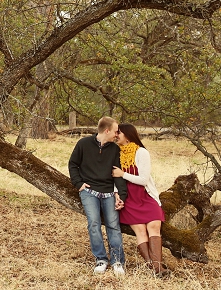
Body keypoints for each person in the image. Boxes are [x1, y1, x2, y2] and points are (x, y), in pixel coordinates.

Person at [68, 116, 128, 275]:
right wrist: (78, 183)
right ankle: (101, 259)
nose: (117, 135)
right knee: (94, 223)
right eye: (115, 131)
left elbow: (117, 174)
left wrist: (120, 195)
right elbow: (73, 164)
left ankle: (117, 261)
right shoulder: (83, 144)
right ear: (107, 130)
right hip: (89, 191)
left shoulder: (115, 150)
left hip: (108, 192)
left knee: (113, 226)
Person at [112, 122, 168, 277]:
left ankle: (156, 267)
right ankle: (156, 269)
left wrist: (123, 174)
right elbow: (114, 180)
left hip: (145, 195)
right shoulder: (117, 153)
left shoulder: (141, 152)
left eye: (119, 133)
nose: (116, 136)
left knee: (154, 226)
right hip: (129, 199)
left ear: (128, 135)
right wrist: (117, 194)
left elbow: (143, 180)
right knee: (141, 231)